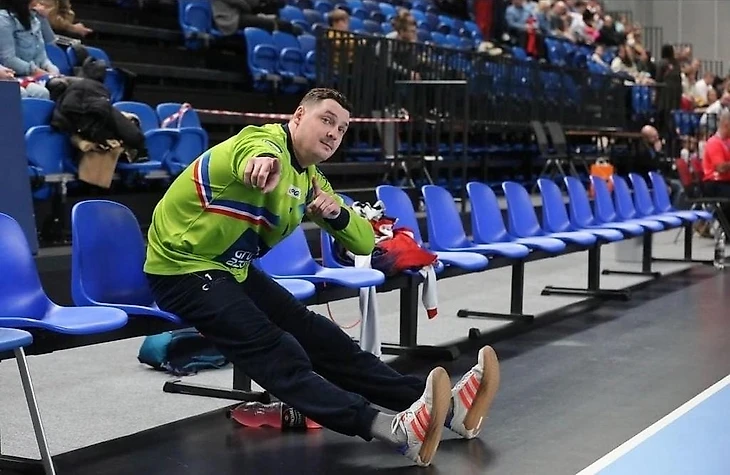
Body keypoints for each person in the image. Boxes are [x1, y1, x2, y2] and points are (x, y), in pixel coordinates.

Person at [143, 88, 501, 467]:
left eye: (343, 128)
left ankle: (446, 413)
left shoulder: (312, 181)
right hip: (180, 268)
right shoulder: (263, 143)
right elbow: (254, 150)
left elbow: (364, 240)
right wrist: (261, 162)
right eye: (326, 120)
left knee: (323, 337)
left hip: (233, 269)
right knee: (276, 347)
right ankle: (391, 429)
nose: (334, 133)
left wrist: (338, 215)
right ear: (298, 117)